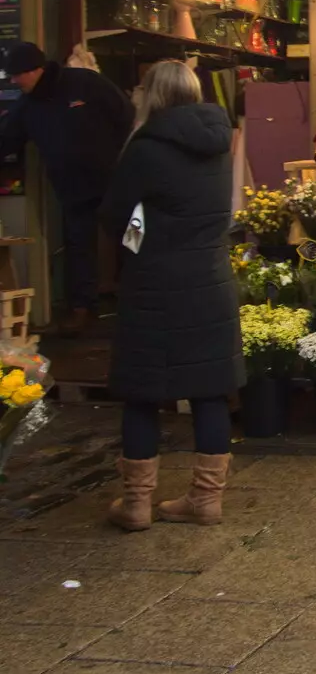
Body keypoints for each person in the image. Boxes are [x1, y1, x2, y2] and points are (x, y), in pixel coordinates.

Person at [100, 61, 242, 531]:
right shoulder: (220, 142)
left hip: (155, 284)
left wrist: (139, 239)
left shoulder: (145, 148)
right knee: (209, 393)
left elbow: (116, 217)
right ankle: (206, 501)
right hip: (211, 281)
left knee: (141, 393)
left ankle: (138, 504)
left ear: (152, 96)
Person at [0, 42, 133, 335]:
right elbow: (6, 140)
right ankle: (82, 308)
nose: (12, 81)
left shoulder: (84, 82)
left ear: (35, 70)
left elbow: (125, 112)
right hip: (72, 188)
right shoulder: (27, 105)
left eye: (16, 75)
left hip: (114, 179)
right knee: (78, 246)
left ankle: (139, 298)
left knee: (131, 236)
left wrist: (118, 153)